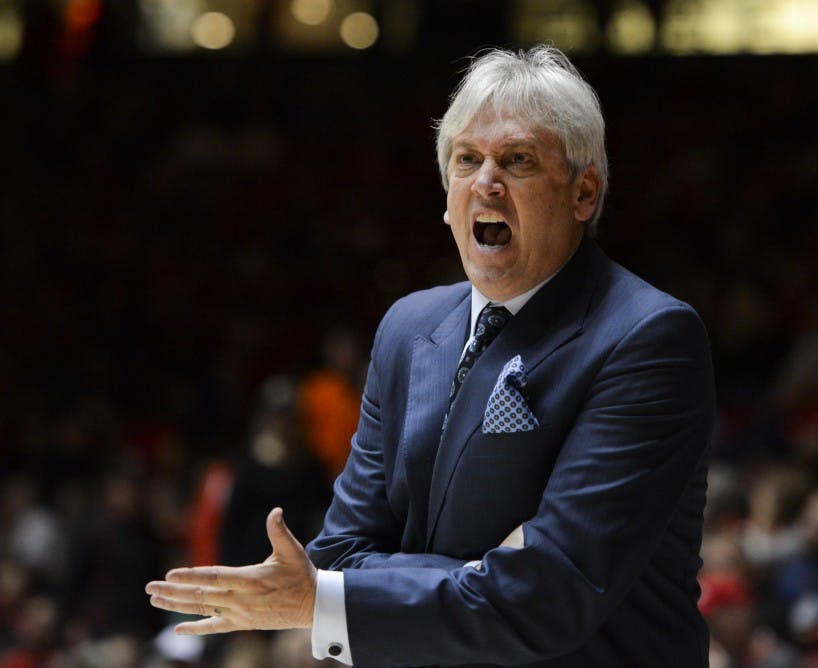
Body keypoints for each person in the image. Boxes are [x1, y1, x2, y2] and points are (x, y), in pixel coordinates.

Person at [146, 45, 715, 667]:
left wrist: (334, 598)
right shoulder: (407, 328)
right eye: (467, 159)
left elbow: (548, 595)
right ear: (447, 196)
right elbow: (342, 553)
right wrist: (483, 569)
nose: (486, 181)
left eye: (517, 160)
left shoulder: (650, 337)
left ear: (584, 192)